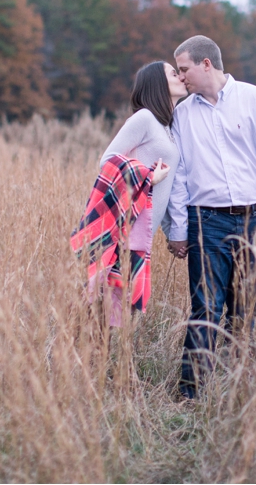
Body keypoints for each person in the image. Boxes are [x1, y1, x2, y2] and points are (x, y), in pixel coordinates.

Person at [166, 35, 256, 399]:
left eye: (184, 68)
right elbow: (180, 177)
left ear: (207, 64)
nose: (181, 76)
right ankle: (191, 395)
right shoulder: (182, 116)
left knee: (244, 307)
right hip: (206, 222)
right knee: (205, 306)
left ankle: (240, 388)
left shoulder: (255, 100)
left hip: (254, 220)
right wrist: (179, 229)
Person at [72, 61, 187, 327]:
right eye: (173, 73)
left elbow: (166, 189)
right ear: (158, 83)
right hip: (126, 227)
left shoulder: (167, 127)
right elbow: (108, 159)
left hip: (141, 233)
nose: (180, 76)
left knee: (120, 309)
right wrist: (148, 175)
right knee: (109, 307)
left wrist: (173, 233)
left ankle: (108, 364)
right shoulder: (144, 118)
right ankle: (96, 363)